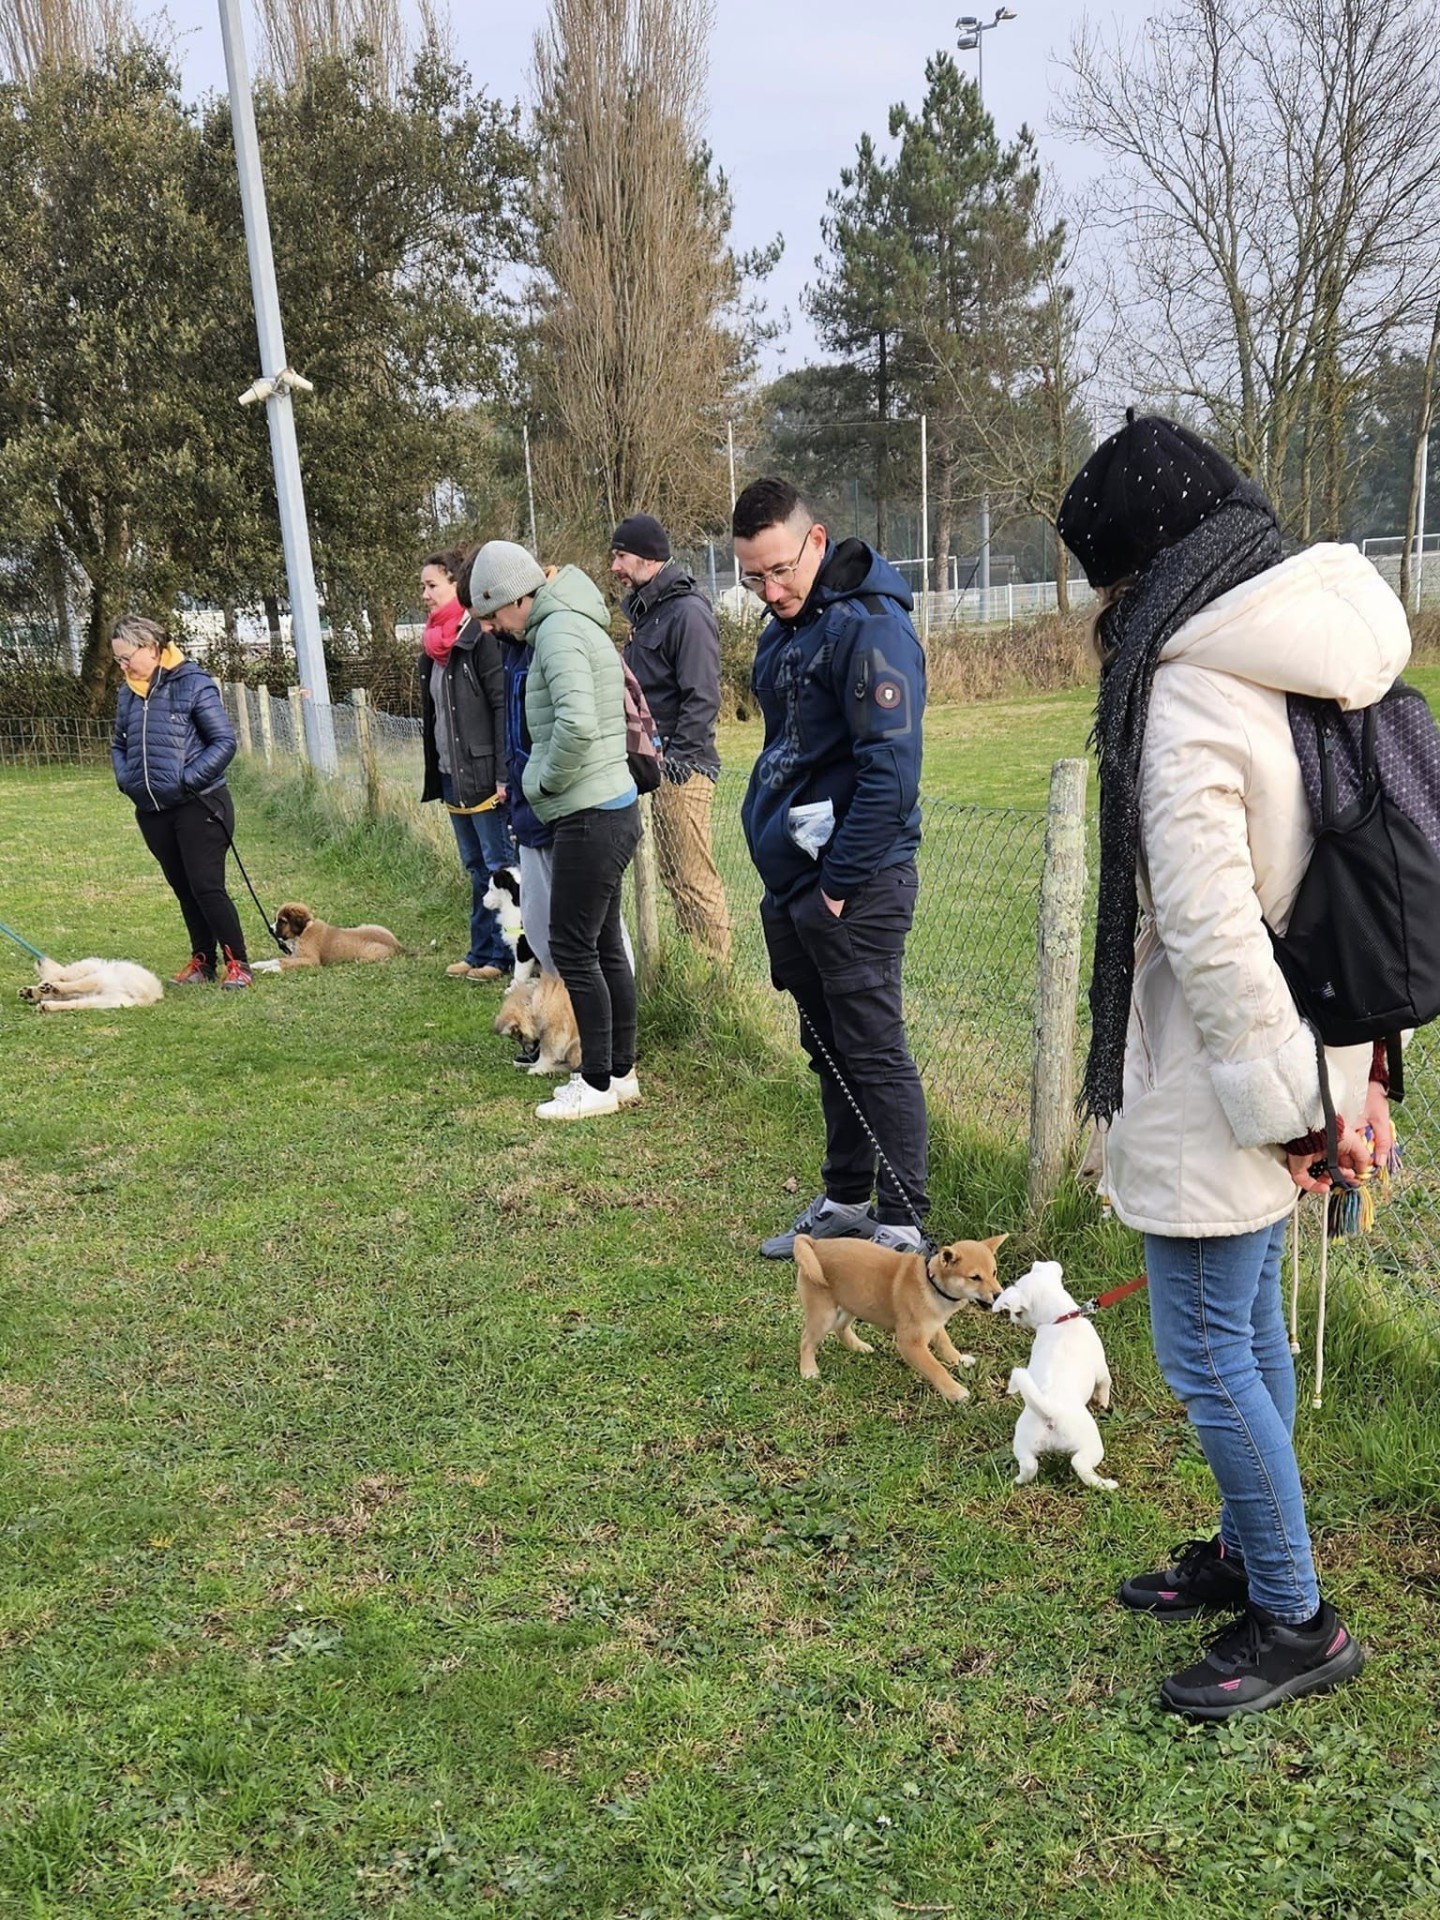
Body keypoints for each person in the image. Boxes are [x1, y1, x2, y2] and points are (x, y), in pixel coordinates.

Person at [1057, 411, 1410, 1719]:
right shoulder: (1307, 644)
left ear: (1144, 567)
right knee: (1246, 1322)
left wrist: (1290, 1117)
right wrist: (1340, 1092)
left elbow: (1207, 927)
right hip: (1311, 1043)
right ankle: (1251, 1551)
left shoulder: (1195, 677)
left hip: (1235, 1070)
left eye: (1109, 586)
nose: (1108, 616)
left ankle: (1295, 1620)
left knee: (1207, 1350)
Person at [732, 477, 929, 1258]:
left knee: (873, 1050)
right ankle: (847, 1201)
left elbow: (891, 772)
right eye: (754, 576)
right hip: (794, 883)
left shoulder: (873, 630)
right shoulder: (787, 626)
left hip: (856, 882)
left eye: (781, 569)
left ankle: (904, 1228)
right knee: (830, 1049)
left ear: (816, 540)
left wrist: (840, 888)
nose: (770, 589)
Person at [469, 540, 640, 1121]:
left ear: (517, 596)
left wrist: (537, 784)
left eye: (492, 615)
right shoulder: (563, 622)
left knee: (573, 946)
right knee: (605, 945)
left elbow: (576, 724)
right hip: (604, 807)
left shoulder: (559, 632)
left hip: (588, 812)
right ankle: (620, 1072)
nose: (492, 629)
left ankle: (593, 1085)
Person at [610, 513, 731, 964]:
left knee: (695, 878)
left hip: (684, 769)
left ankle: (718, 976)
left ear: (646, 557)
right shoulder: (647, 611)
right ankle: (698, 970)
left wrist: (677, 762)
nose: (615, 567)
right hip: (654, 766)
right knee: (674, 876)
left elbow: (702, 696)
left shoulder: (688, 612)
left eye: (620, 556)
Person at [109, 615, 252, 989]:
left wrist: (187, 781)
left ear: (152, 649)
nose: (122, 666)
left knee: (206, 886)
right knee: (183, 887)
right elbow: (119, 743)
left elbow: (224, 743)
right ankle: (202, 961)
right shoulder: (127, 692)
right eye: (117, 660)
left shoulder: (193, 683)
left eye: (127, 658)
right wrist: (127, 781)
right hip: (152, 810)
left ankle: (238, 964)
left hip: (200, 804)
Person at [417, 549, 512, 982]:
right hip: (452, 776)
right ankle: (480, 950)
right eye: (422, 586)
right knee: (474, 867)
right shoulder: (431, 648)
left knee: (499, 866)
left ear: (457, 585)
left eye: (432, 585)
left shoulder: (481, 638)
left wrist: (501, 773)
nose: (425, 594)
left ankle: (507, 955)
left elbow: (499, 706)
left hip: (485, 776)